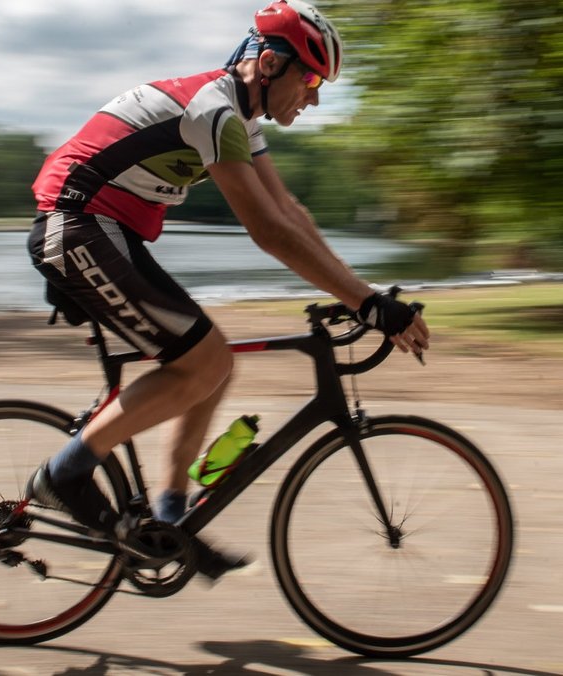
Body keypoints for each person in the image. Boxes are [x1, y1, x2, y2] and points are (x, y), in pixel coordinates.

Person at [24, 0, 430, 580]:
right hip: (76, 225)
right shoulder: (213, 110)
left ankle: (170, 521)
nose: (313, 97)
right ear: (268, 64)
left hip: (105, 230)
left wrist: (363, 294)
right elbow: (267, 232)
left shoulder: (240, 122)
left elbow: (290, 213)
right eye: (310, 78)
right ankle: (64, 474)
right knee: (203, 361)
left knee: (213, 365)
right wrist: (365, 304)